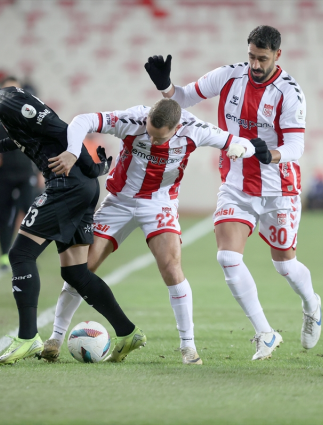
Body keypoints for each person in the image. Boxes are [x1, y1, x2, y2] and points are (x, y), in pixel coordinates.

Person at [0, 73, 146, 365]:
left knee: (21, 253)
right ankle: (128, 333)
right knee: (76, 273)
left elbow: (62, 129)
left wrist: (89, 164)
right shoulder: (6, 102)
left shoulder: (7, 103)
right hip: (79, 186)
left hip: (67, 185)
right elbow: (27, 137)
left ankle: (27, 338)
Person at [144, 25, 322, 359]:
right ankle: (265, 333)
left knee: (284, 264)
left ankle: (312, 304)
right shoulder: (229, 76)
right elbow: (185, 98)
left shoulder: (289, 93)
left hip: (277, 187)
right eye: (252, 56)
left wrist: (271, 153)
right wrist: (166, 85)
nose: (255, 64)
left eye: (263, 59)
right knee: (227, 257)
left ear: (277, 56)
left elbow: (296, 144)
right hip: (237, 184)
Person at [40, 99, 255, 365]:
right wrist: (73, 150)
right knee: (81, 269)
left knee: (171, 267)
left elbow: (244, 142)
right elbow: (82, 120)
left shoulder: (195, 129)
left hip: (159, 203)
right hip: (119, 201)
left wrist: (240, 149)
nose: (152, 141)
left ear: (177, 127)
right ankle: (55, 338)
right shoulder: (132, 120)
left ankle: (188, 347)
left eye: (159, 138)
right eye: (150, 134)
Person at [0, 76, 38, 270]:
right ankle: (4, 256)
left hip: (26, 173)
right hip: (2, 174)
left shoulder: (31, 114)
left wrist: (44, 170)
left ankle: (28, 256)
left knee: (31, 214)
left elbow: (42, 143)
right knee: (4, 215)